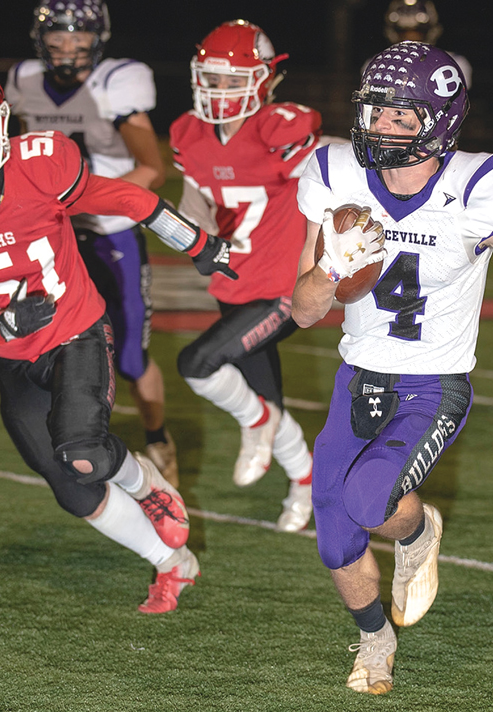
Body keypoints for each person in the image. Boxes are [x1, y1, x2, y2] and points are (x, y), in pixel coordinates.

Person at [0, 61, 237, 614]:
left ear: (1, 121)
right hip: (11, 351)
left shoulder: (39, 166)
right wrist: (2, 325)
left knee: (84, 453)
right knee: (69, 485)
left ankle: (147, 484)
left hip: (75, 330)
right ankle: (174, 563)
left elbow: (122, 198)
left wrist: (193, 240)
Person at [292, 42, 493, 693]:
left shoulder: (477, 188)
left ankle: (417, 531)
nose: (381, 126)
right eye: (375, 111)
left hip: (432, 384)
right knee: (333, 534)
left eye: (401, 115)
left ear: (439, 121)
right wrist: (330, 267)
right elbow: (303, 312)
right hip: (358, 378)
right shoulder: (336, 174)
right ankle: (374, 639)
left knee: (369, 500)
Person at [5, 0, 178, 486]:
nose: (67, 48)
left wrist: (79, 201)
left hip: (109, 231)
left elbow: (152, 169)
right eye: (57, 38)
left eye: (77, 38)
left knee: (130, 356)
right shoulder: (24, 79)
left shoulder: (115, 82)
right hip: (53, 237)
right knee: (50, 339)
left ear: (97, 40)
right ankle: (74, 435)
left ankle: (158, 439)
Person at [169, 19, 322, 532]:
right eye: (213, 78)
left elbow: (336, 164)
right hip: (233, 284)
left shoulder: (280, 128)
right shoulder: (189, 133)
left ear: (265, 79)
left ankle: (255, 423)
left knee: (198, 363)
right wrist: (195, 240)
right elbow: (194, 202)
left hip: (282, 289)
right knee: (266, 397)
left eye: (234, 79)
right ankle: (305, 482)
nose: (220, 89)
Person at [372, 0, 472, 89]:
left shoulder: (453, 63)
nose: (410, 40)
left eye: (417, 33)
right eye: (404, 33)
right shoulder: (376, 63)